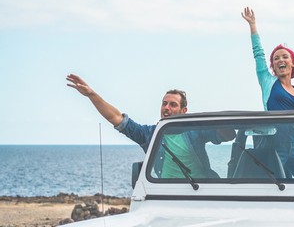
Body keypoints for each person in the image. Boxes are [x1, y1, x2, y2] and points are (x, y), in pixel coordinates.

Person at [66, 74, 236, 178]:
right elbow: (116, 118)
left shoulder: (195, 131)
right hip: (166, 194)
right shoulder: (150, 134)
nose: (166, 108)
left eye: (173, 105)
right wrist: (91, 94)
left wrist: (208, 120)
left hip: (202, 191)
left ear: (184, 110)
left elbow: (229, 135)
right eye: (164, 103)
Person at [241, 7, 294, 178]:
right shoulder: (268, 81)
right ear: (272, 66)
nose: (280, 60)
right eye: (276, 58)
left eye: (284, 57)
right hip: (272, 145)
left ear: (293, 63)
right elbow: (258, 54)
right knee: (273, 183)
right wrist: (253, 25)